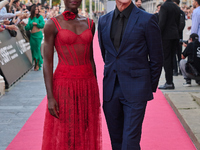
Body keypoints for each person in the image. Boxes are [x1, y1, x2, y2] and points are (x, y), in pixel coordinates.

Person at [98, 0, 163, 149]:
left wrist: (147, 86)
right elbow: (106, 54)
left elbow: (156, 58)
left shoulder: (147, 19)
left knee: (130, 142)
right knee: (116, 142)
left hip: (136, 89)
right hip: (111, 89)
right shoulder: (103, 20)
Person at [41, 0, 101, 149]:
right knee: (68, 130)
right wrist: (50, 97)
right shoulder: (52, 24)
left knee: (85, 127)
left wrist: (96, 89)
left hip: (88, 83)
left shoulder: (90, 23)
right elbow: (47, 63)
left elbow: (91, 58)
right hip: (64, 85)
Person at [158, 0, 180, 89]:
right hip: (175, 35)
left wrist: (157, 34)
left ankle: (169, 82)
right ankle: (170, 81)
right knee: (171, 58)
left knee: (166, 59)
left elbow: (162, 22)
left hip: (166, 36)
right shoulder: (176, 7)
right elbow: (178, 22)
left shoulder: (164, 6)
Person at [22, 4, 44, 71]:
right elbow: (28, 27)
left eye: (38, 9)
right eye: (36, 9)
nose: (37, 10)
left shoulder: (40, 17)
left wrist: (36, 24)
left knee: (37, 49)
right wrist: (24, 24)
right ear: (33, 10)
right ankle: (35, 64)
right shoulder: (30, 18)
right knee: (33, 50)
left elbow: (42, 25)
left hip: (38, 35)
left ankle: (38, 65)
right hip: (32, 36)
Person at [172, 0, 186, 76]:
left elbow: (182, 24)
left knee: (176, 53)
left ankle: (177, 70)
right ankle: (178, 70)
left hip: (176, 36)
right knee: (177, 53)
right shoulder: (181, 12)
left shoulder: (179, 12)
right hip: (178, 35)